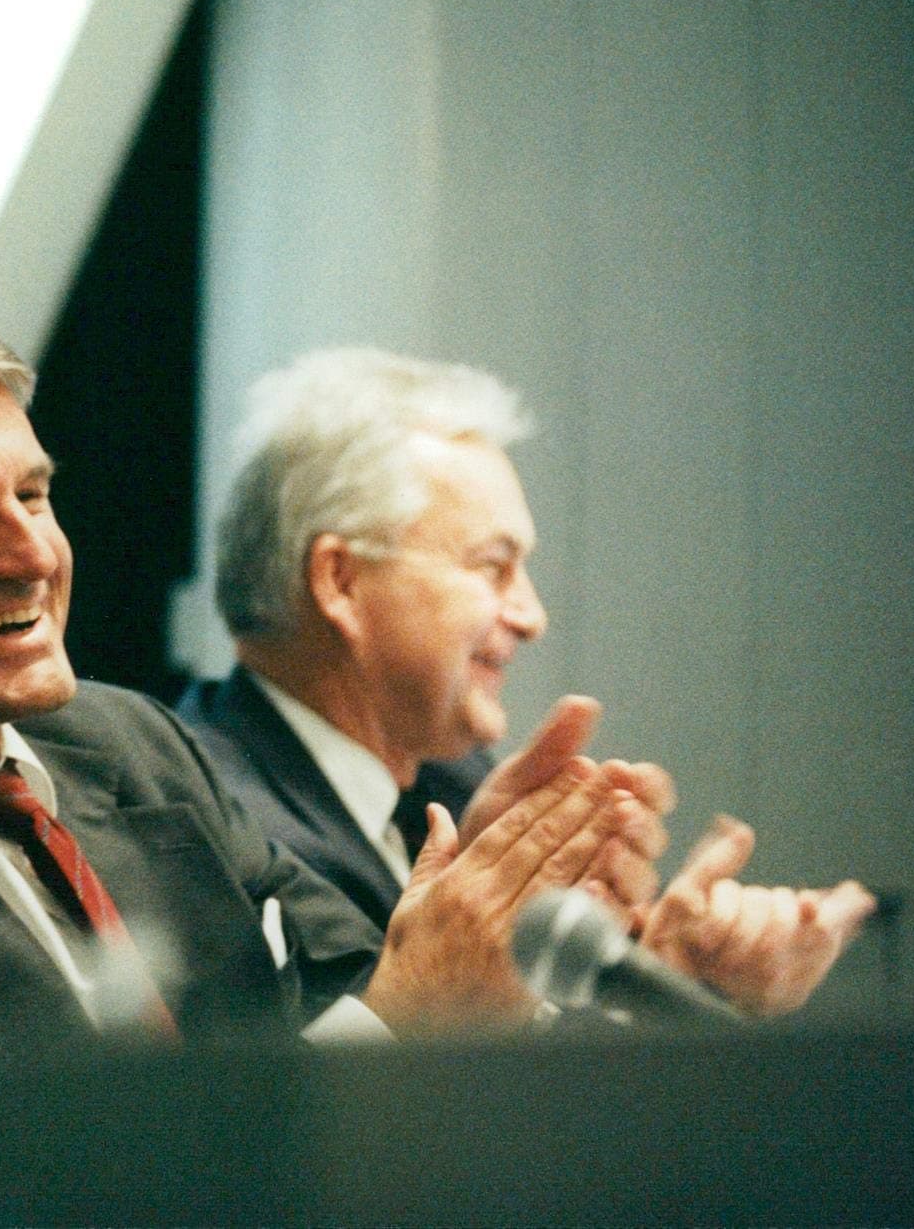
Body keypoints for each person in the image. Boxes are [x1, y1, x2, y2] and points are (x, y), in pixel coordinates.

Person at [0, 297, 666, 1079]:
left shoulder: (127, 741)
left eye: (33, 494)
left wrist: (493, 912)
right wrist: (404, 1014)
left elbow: (368, 980)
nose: (34, 552)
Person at [179, 345, 874, 1013]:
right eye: (493, 566)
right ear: (342, 580)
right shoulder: (205, 826)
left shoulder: (459, 789)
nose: (532, 615)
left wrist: (666, 975)